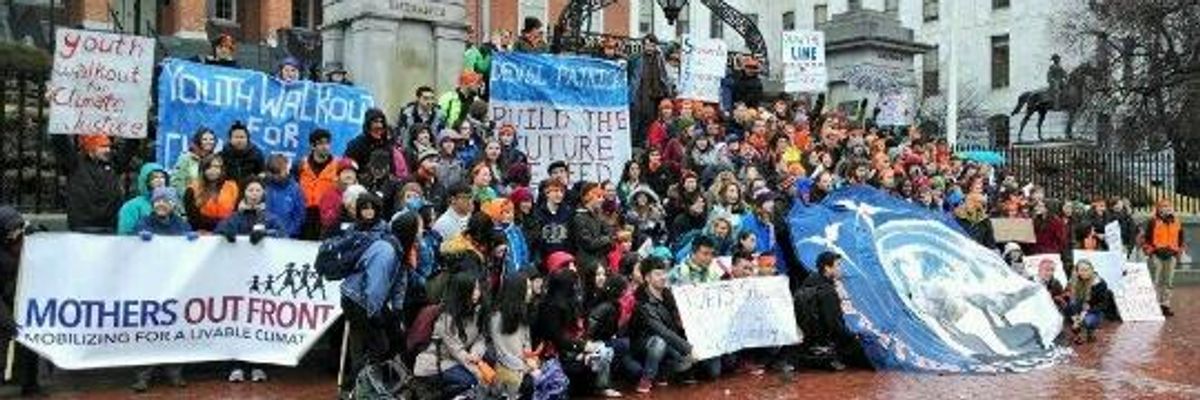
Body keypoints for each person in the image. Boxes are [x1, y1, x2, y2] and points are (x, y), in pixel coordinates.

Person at [338, 211, 418, 395]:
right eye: (418, 227)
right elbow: (375, 286)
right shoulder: (386, 251)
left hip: (369, 300)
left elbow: (400, 282)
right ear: (410, 230)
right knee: (379, 345)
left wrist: (397, 312)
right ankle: (353, 387)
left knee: (396, 337)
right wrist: (375, 315)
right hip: (357, 300)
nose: (421, 231)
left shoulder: (400, 247)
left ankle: (387, 380)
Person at [129, 187, 194, 392]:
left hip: (175, 285)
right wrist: (139, 237)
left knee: (174, 329)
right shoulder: (144, 223)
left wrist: (193, 242)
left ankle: (174, 371)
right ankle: (143, 375)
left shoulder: (181, 224)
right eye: (157, 201)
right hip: (149, 286)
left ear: (173, 204)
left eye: (166, 201)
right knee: (148, 330)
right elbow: (130, 243)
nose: (161, 204)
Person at [533, 269, 622, 398]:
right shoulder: (551, 307)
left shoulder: (571, 303)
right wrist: (581, 348)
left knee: (604, 351)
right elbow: (556, 337)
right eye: (574, 285)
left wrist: (584, 345)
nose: (577, 288)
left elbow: (580, 329)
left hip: (572, 346)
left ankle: (602, 386)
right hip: (555, 353)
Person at [413, 272, 487, 397]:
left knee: (478, 378)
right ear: (462, 291)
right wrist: (477, 371)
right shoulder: (446, 317)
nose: (477, 293)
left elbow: (481, 338)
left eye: (478, 288)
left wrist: (476, 353)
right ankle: (433, 394)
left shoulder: (476, 311)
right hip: (435, 362)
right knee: (472, 381)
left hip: (457, 361)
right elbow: (456, 350)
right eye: (473, 289)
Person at [631, 257, 694, 394]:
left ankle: (663, 371)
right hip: (643, 343)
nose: (663, 277)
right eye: (658, 274)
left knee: (685, 362)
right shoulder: (642, 302)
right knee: (659, 342)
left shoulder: (668, 295)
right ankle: (646, 379)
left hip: (668, 340)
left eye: (664, 273)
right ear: (647, 278)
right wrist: (688, 349)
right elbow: (661, 330)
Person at [1, 207, 42, 396]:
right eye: (11, 229)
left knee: (31, 343)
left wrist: (40, 236)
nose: (15, 233)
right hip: (5, 304)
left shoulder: (26, 241)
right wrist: (7, 319)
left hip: (23, 300)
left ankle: (30, 384)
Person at [795, 252, 856, 371]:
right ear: (827, 268)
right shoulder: (827, 291)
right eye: (838, 265)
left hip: (806, 345)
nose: (841, 269)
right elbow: (834, 325)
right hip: (826, 348)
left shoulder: (806, 284)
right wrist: (852, 336)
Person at [487, 273, 539, 399]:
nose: (530, 292)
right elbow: (504, 355)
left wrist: (531, 360)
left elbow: (526, 345)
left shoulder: (522, 311)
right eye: (527, 288)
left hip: (522, 365)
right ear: (517, 291)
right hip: (507, 370)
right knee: (532, 383)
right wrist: (528, 367)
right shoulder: (497, 318)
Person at [65, 134, 124, 233]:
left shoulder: (114, 163)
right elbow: (60, 143)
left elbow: (131, 146)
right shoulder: (75, 163)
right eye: (103, 146)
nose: (108, 150)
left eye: (109, 146)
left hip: (110, 225)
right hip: (81, 226)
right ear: (91, 148)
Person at [295, 129, 341, 239]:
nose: (325, 146)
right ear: (312, 146)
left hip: (327, 215)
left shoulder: (338, 165)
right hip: (305, 215)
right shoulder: (301, 166)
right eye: (320, 143)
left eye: (327, 143)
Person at [1143, 199, 1185, 317]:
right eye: (1163, 206)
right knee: (1155, 281)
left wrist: (1178, 253)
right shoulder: (1153, 221)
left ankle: (1165, 305)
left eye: (1168, 206)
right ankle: (1153, 304)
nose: (1166, 208)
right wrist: (1150, 252)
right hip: (1157, 254)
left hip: (1171, 255)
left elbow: (1181, 238)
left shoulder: (1176, 221)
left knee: (1168, 282)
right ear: (1158, 208)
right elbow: (1147, 238)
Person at [215, 178, 286, 245]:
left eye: (258, 190)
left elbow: (283, 233)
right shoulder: (235, 217)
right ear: (244, 193)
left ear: (263, 193)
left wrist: (265, 233)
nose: (254, 193)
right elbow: (218, 230)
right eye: (250, 190)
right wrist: (226, 231)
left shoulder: (270, 217)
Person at [183, 155, 239, 232]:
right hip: (202, 235)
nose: (213, 170)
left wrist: (226, 225)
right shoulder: (191, 190)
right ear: (202, 169)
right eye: (208, 167)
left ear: (221, 169)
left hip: (227, 232)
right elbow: (194, 219)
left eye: (216, 167)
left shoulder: (232, 187)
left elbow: (236, 213)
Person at [1066, 260, 1115, 343]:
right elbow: (1070, 301)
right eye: (1081, 270)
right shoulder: (1074, 281)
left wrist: (1084, 313)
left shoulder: (1099, 284)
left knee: (1088, 321)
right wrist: (1075, 318)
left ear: (1092, 270)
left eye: (1087, 269)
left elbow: (1103, 305)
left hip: (1094, 310)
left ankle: (1089, 332)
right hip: (1080, 308)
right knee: (1071, 304)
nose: (1085, 272)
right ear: (1077, 271)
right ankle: (1078, 330)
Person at [571, 183, 614, 274]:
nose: (602, 200)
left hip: (601, 261)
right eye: (598, 197)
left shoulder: (599, 216)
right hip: (587, 265)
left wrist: (607, 239)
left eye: (602, 197)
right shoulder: (579, 217)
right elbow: (589, 244)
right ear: (588, 198)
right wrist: (607, 239)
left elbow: (611, 235)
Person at [117, 162, 170, 235]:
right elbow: (125, 235)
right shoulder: (131, 206)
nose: (159, 180)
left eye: (162, 177)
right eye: (154, 177)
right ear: (146, 181)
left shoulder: (170, 203)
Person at [482, 199, 529, 279]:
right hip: (503, 275)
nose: (510, 215)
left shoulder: (516, 230)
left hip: (519, 272)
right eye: (506, 212)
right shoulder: (493, 233)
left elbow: (523, 249)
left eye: (512, 212)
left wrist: (525, 266)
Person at [263, 154, 307, 238]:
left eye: (278, 172)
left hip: (288, 238)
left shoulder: (295, 189)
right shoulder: (263, 187)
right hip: (265, 236)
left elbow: (299, 216)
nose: (275, 176)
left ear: (286, 169)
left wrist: (287, 232)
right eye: (272, 172)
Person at [318, 159, 360, 236]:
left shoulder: (361, 192)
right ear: (338, 175)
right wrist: (342, 207)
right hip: (334, 237)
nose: (349, 175)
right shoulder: (330, 194)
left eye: (352, 172)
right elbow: (326, 220)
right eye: (345, 172)